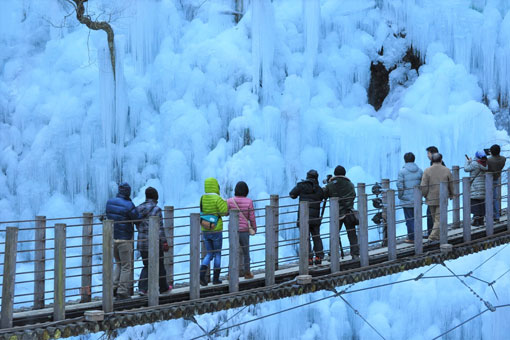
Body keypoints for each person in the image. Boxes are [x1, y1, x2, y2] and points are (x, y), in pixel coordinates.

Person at [106, 182, 141, 299]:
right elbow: (137, 219)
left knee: (118, 263)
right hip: (124, 239)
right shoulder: (129, 205)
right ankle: (122, 291)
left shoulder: (109, 202)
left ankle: (113, 288)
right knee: (127, 266)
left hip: (112, 238)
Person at [136, 187, 171, 295]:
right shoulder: (157, 210)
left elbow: (137, 224)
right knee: (160, 264)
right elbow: (160, 228)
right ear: (156, 198)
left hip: (142, 242)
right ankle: (163, 287)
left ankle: (142, 288)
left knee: (146, 264)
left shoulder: (138, 209)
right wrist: (164, 241)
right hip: (154, 243)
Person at [290, 170, 325, 265]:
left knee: (305, 238)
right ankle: (318, 257)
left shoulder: (301, 185)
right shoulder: (319, 189)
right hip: (315, 218)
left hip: (303, 217)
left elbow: (292, 194)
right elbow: (323, 196)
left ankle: (308, 258)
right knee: (316, 237)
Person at [323, 166, 359, 258]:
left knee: (334, 234)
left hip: (336, 213)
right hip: (348, 212)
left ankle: (333, 254)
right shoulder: (350, 184)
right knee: (352, 234)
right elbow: (353, 195)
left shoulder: (331, 185)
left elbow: (324, 195)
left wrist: (327, 184)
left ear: (335, 173)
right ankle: (355, 254)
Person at [199, 177, 228, 286]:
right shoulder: (218, 198)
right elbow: (224, 211)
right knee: (217, 254)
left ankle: (201, 275)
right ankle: (216, 279)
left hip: (205, 228)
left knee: (209, 253)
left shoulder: (202, 198)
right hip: (216, 229)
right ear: (216, 186)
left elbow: (202, 211)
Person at [227, 181, 257, 279]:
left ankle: (231, 274)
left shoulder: (230, 201)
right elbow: (251, 217)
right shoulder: (249, 201)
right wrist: (254, 228)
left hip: (233, 230)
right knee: (245, 252)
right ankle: (247, 273)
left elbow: (226, 213)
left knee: (233, 251)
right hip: (244, 230)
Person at [420, 153, 454, 241]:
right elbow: (451, 184)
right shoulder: (446, 170)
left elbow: (424, 186)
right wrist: (452, 194)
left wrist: (423, 195)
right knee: (438, 219)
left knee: (435, 218)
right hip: (442, 198)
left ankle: (434, 236)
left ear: (431, 160)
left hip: (431, 198)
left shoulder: (427, 170)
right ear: (441, 159)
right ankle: (434, 236)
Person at [397, 152, 423, 243]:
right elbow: (422, 185)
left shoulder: (402, 172)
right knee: (417, 217)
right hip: (417, 198)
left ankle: (412, 237)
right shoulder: (420, 171)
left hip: (406, 199)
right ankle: (418, 235)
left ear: (405, 160)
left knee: (409, 219)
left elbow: (400, 186)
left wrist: (401, 196)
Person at [425, 146, 445, 237]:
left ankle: (432, 235)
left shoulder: (437, 165)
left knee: (432, 215)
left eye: (428, 153)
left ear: (433, 154)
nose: (427, 155)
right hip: (438, 193)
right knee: (433, 215)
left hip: (435, 194)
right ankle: (433, 233)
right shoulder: (439, 164)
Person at [465, 151, 488, 226]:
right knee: (481, 202)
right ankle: (481, 220)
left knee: (475, 203)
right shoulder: (485, 163)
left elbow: (466, 169)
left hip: (475, 186)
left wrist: (468, 162)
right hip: (483, 185)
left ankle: (476, 221)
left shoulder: (475, 163)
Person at [487, 144, 506, 222]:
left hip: (489, 180)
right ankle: (496, 215)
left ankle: (490, 215)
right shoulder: (503, 159)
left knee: (488, 198)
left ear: (491, 152)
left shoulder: (489, 160)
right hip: (496, 178)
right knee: (495, 198)